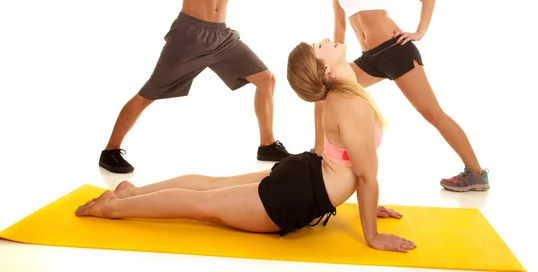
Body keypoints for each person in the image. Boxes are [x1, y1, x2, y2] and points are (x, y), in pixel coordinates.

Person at [75, 39, 417, 253]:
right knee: (202, 203)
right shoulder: (348, 99)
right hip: (295, 192)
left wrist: (367, 203)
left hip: (304, 174)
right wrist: (371, 235)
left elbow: (336, 157)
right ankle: (114, 206)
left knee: (209, 188)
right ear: (327, 70)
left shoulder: (339, 95)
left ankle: (131, 192)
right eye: (320, 46)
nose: (326, 40)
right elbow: (365, 175)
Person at [99, 0, 294, 174]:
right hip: (189, 35)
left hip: (222, 37)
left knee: (267, 80)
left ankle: (267, 145)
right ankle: (110, 150)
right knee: (149, 93)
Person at [311, 0, 489, 192]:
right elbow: (339, 23)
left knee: (432, 113)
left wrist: (418, 32)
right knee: (326, 94)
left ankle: (476, 173)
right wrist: (336, 61)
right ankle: (319, 157)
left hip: (396, 51)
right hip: (369, 58)